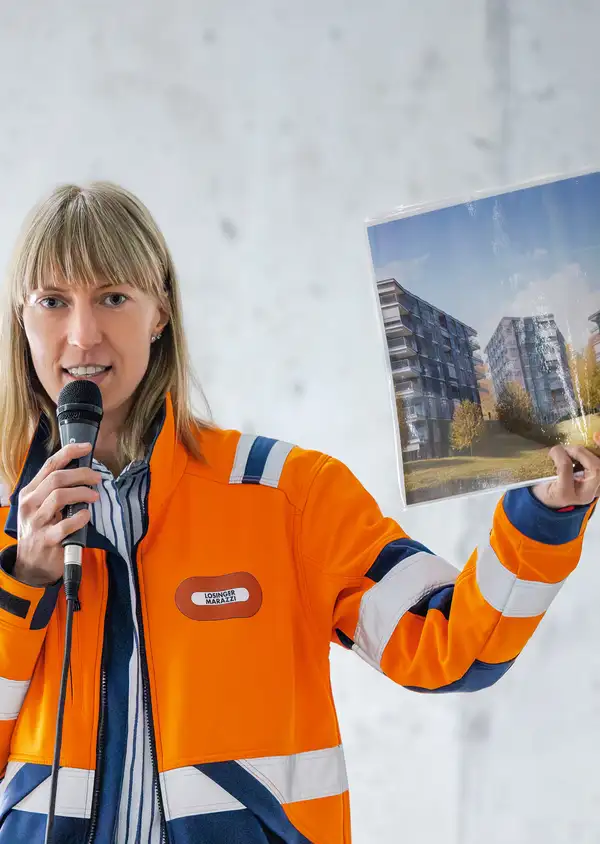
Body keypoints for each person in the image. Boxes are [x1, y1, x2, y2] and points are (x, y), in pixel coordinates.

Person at [0, 182, 597, 844]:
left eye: (113, 297)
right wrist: (22, 579)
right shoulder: (6, 521)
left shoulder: (287, 494)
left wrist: (544, 513)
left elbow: (453, 648)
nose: (83, 334)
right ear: (20, 318)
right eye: (52, 301)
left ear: (160, 312)